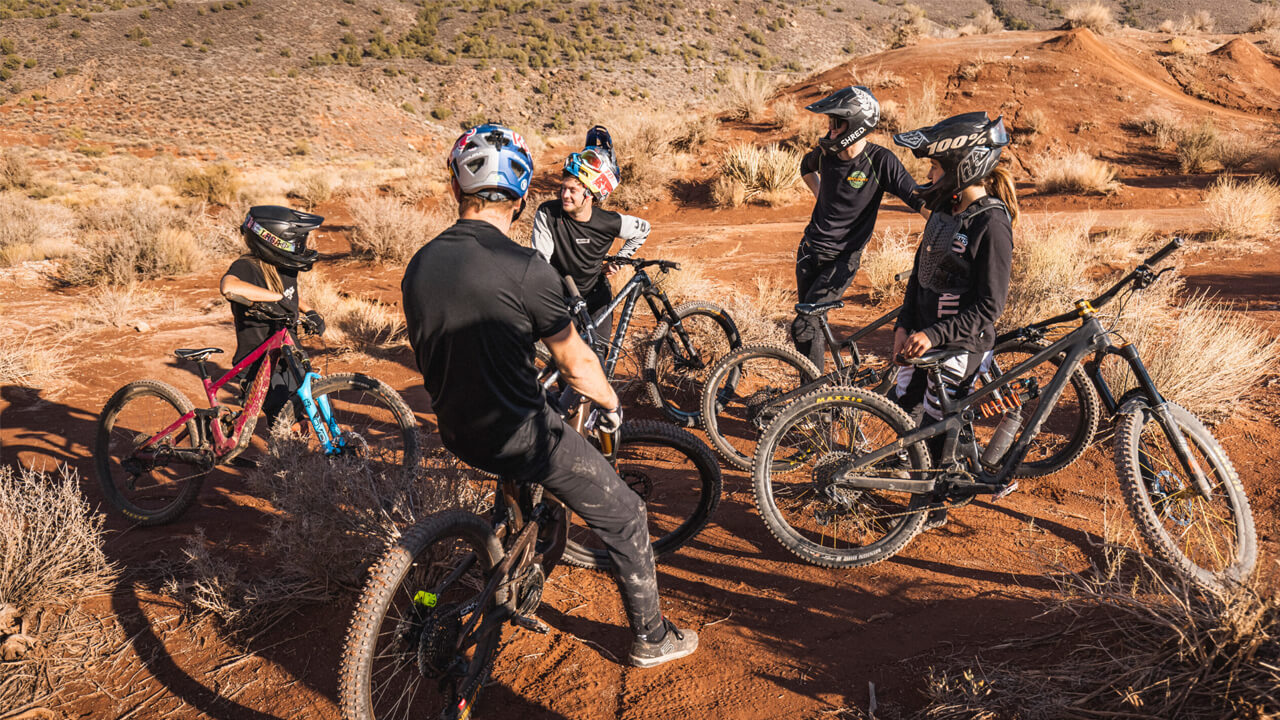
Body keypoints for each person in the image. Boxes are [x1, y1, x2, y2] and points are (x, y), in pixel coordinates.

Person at [401, 123, 697, 668]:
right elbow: (579, 365)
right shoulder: (525, 270)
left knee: (522, 464)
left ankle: (488, 563)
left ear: (455, 189)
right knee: (628, 513)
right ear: (517, 197)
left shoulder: (419, 265)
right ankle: (652, 638)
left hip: (456, 426)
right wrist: (610, 403)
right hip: (519, 436)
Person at [889, 112, 1018, 528]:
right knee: (901, 409)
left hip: (960, 344)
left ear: (963, 164)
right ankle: (933, 480)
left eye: (936, 165)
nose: (929, 173)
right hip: (924, 337)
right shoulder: (946, 210)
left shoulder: (991, 224)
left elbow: (988, 307)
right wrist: (903, 326)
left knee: (932, 423)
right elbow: (919, 277)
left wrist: (934, 333)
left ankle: (932, 506)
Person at [794, 85, 928, 370]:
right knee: (811, 331)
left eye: (836, 123)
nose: (830, 130)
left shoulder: (880, 161)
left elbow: (917, 200)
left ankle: (816, 404)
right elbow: (806, 168)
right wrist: (822, 197)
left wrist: (953, 226)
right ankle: (816, 399)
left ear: (854, 124)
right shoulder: (825, 154)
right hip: (809, 253)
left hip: (842, 260)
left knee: (804, 326)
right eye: (829, 122)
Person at [532, 125, 650, 339]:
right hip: (561, 298)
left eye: (573, 190)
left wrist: (619, 260)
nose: (564, 195)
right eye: (563, 188)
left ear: (589, 194)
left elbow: (643, 230)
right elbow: (541, 261)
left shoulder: (608, 222)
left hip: (597, 300)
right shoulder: (548, 213)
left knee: (597, 360)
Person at [219, 205, 326, 425]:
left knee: (303, 420)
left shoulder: (284, 266)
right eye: (296, 241)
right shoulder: (247, 266)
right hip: (260, 364)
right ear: (274, 239)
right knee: (288, 426)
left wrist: (309, 311)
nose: (301, 246)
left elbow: (290, 295)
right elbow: (228, 286)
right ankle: (282, 459)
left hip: (288, 355)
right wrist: (276, 299)